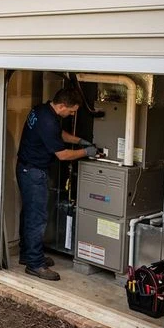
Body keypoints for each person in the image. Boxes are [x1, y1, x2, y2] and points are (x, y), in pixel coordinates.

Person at [16, 87, 98, 281]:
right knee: (37, 218)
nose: (72, 114)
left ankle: (27, 254)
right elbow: (63, 155)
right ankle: (35, 264)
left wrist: (80, 141)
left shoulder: (43, 110)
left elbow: (58, 134)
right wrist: (86, 153)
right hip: (34, 173)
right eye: (71, 111)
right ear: (62, 106)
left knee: (29, 214)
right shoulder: (47, 121)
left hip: (27, 169)